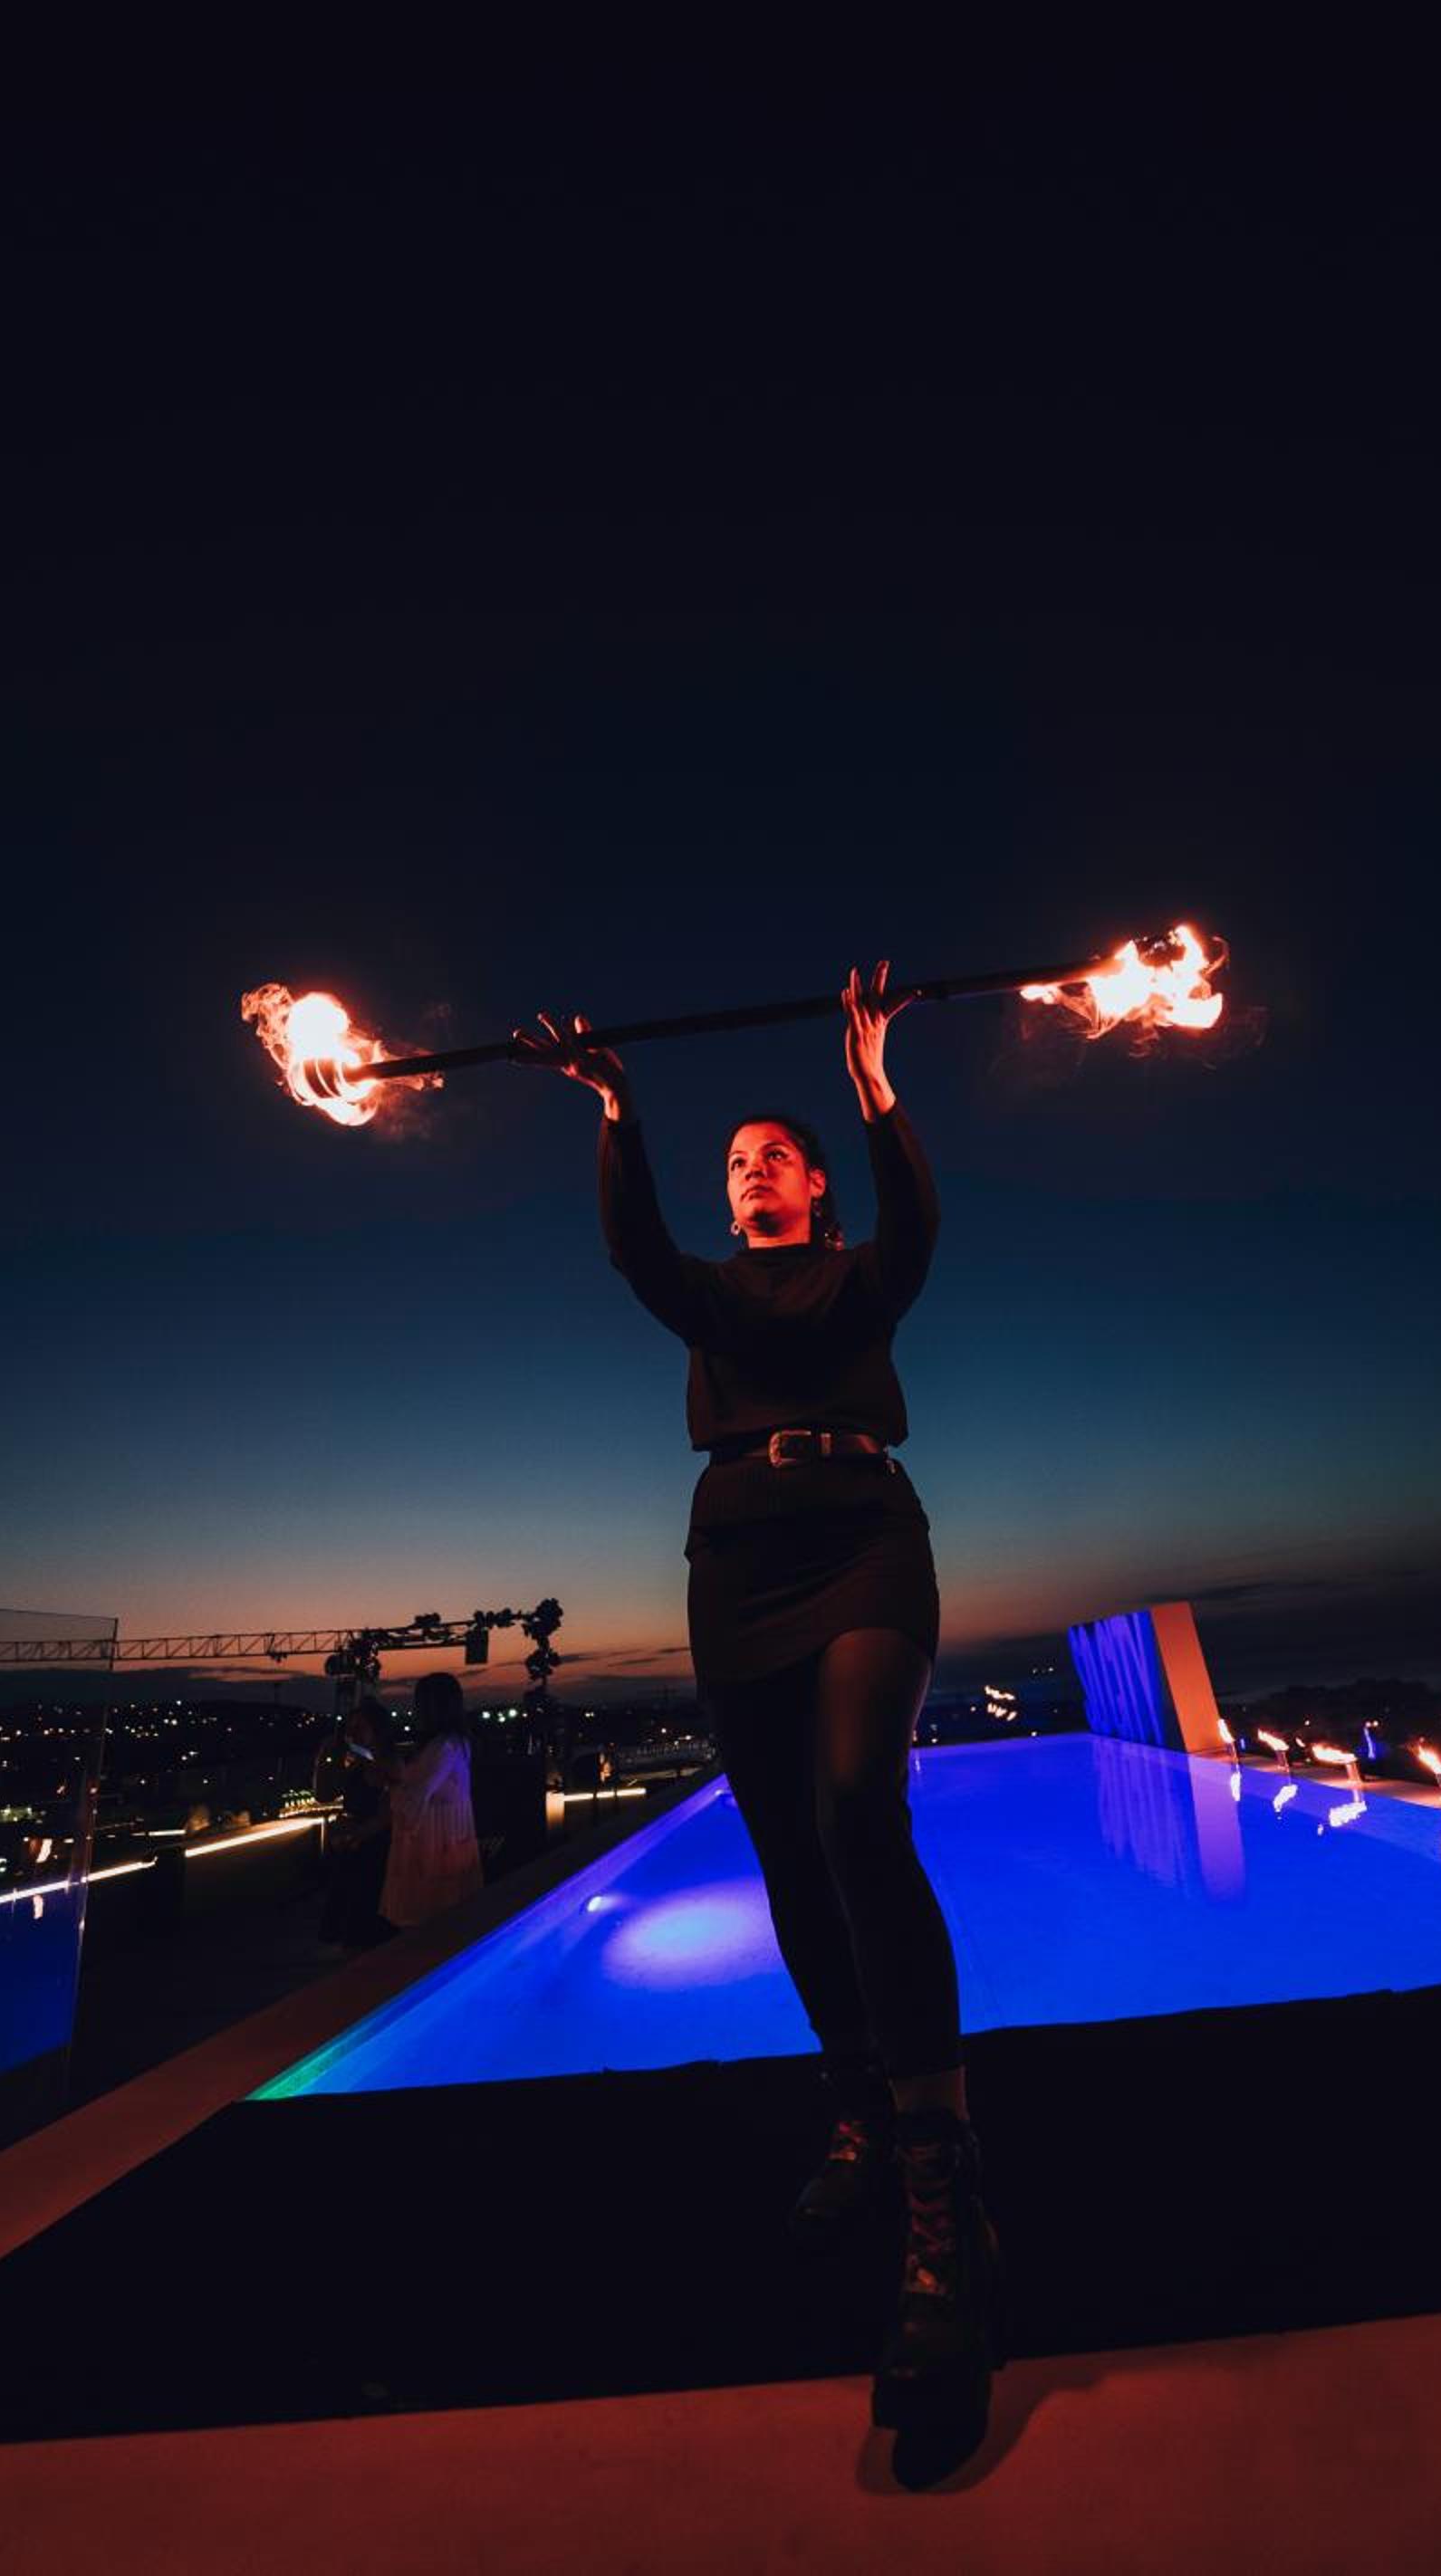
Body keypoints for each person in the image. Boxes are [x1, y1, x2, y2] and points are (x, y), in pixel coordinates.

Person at [514, 962, 1004, 2480]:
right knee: (790, 1851)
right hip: (736, 1565)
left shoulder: (860, 1281)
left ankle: (940, 2174)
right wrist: (617, 1113)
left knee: (858, 1801)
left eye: (776, 1154)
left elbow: (919, 1229)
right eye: (736, 1162)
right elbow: (631, 1252)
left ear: (816, 1187)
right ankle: (856, 2101)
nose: (752, 1169)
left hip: (863, 1540)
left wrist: (873, 1087)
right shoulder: (712, 1297)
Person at [369, 1673, 485, 1931]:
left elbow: (415, 1796)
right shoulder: (451, 1743)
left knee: (432, 1919)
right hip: (443, 1837)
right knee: (444, 1920)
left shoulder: (445, 1746)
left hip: (434, 1842)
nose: (416, 1709)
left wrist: (389, 1779)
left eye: (421, 1703)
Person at [317, 1698, 397, 1949]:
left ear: (377, 1731)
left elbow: (388, 1814)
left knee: (365, 1925)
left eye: (359, 1728)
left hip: (375, 1852)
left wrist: (355, 1833)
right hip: (353, 1849)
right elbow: (324, 1793)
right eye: (350, 1728)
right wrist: (325, 1757)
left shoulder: (389, 1764)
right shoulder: (356, 1765)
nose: (352, 1734)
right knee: (350, 1928)